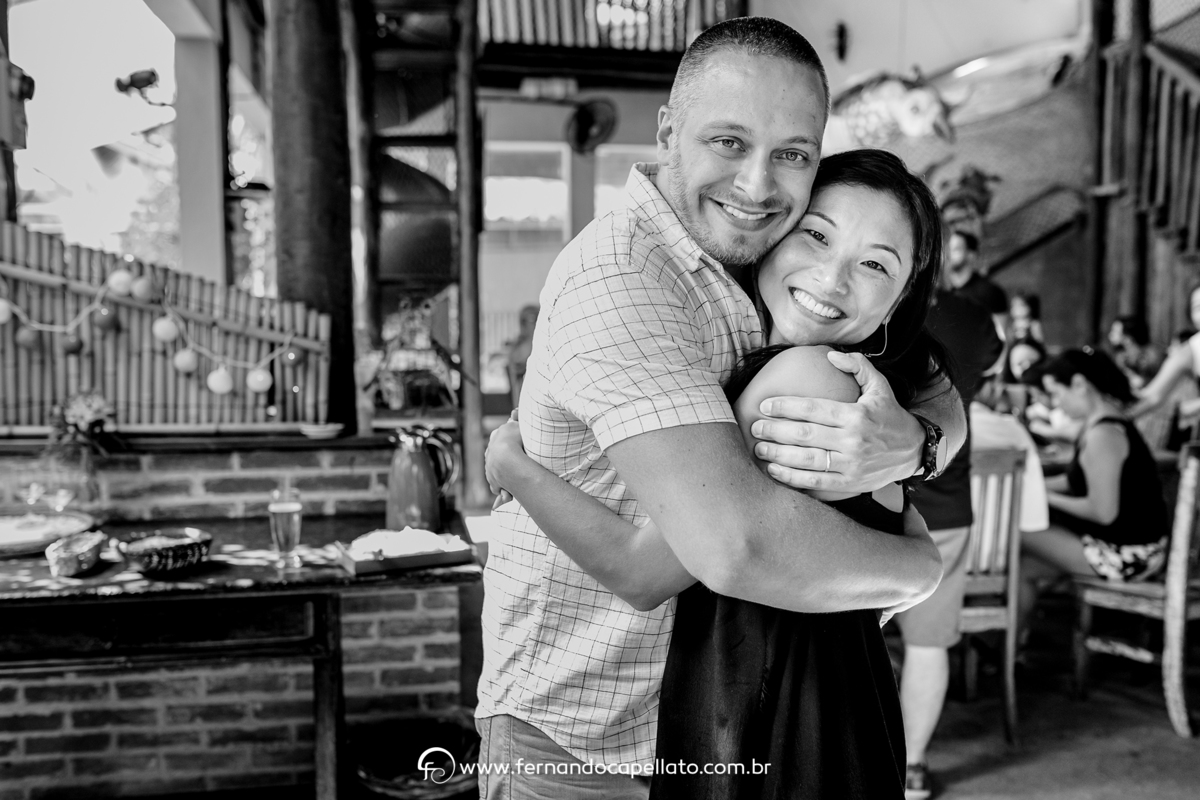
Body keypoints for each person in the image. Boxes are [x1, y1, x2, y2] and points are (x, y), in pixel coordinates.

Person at [474, 17, 965, 799]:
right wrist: (917, 560)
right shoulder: (630, 277)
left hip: (731, 726)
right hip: (590, 741)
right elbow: (725, 547)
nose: (757, 186)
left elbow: (933, 373)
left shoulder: (756, 265)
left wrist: (920, 446)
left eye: (792, 155)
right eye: (729, 143)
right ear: (668, 130)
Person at [896, 261, 1003, 800]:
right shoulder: (976, 320)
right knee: (928, 643)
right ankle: (911, 767)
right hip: (945, 503)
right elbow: (984, 370)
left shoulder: (876, 304)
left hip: (862, 498)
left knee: (830, 643)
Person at [1019, 349, 1169, 641]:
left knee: (1018, 530)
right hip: (1129, 544)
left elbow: (1102, 511)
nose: (1056, 403)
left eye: (1056, 392)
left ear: (1079, 384)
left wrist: (1042, 498)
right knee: (1023, 567)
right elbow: (1075, 480)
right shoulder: (1101, 423)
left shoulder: (1104, 434)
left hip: (1131, 554)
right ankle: (1008, 653)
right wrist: (1032, 487)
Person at [1107, 314, 1162, 390]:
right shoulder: (1120, 356)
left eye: (1115, 331)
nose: (1110, 335)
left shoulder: (1150, 355)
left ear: (1128, 338)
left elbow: (1144, 382)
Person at [504, 303, 539, 407]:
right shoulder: (519, 344)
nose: (531, 325)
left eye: (533, 320)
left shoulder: (542, 341)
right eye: (527, 321)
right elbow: (516, 363)